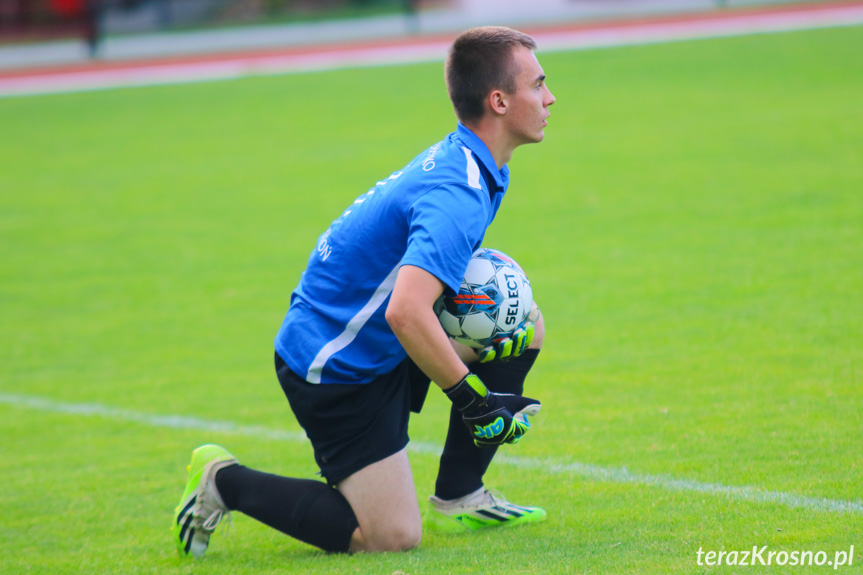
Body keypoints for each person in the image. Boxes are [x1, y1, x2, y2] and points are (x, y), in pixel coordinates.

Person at [172, 25, 556, 557]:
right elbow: (404, 310)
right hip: (335, 366)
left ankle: (461, 496)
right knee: (391, 536)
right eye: (538, 85)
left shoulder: (480, 165)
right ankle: (224, 481)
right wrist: (474, 400)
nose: (549, 97)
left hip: (369, 340)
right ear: (498, 100)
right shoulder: (457, 193)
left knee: (522, 322)